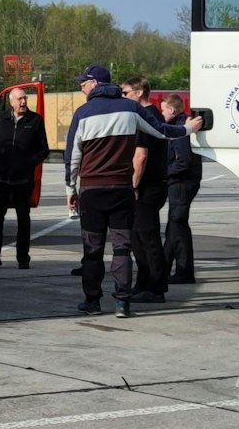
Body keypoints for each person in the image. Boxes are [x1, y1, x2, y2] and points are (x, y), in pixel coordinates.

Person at [64, 65, 174, 318]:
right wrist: (188, 129)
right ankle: (123, 301)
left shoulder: (83, 113)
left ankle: (92, 301)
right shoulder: (130, 109)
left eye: (84, 84)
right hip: (121, 189)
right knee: (122, 247)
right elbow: (163, 131)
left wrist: (71, 189)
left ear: (95, 84)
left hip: (92, 189)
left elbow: (72, 157)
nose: (82, 88)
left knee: (92, 249)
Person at [118, 76, 184, 303]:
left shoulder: (145, 117)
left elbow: (141, 156)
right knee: (137, 237)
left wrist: (133, 185)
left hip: (147, 186)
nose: (123, 97)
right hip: (154, 184)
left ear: (138, 92)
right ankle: (144, 282)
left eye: (125, 93)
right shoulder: (151, 115)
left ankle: (156, 288)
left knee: (147, 237)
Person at [0, 86, 48, 269]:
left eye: (25, 98)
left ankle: (23, 258)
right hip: (1, 180)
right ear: (11, 102)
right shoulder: (2, 120)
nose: (23, 102)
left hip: (23, 180)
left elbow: (44, 149)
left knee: (23, 219)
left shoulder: (35, 121)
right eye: (19, 99)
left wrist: (28, 163)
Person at [162, 94, 202, 284]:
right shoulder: (180, 126)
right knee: (174, 224)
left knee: (178, 224)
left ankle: (185, 271)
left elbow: (183, 160)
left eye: (163, 110)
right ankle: (165, 266)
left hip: (182, 181)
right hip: (183, 181)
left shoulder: (180, 129)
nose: (161, 113)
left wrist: (165, 173)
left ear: (171, 110)